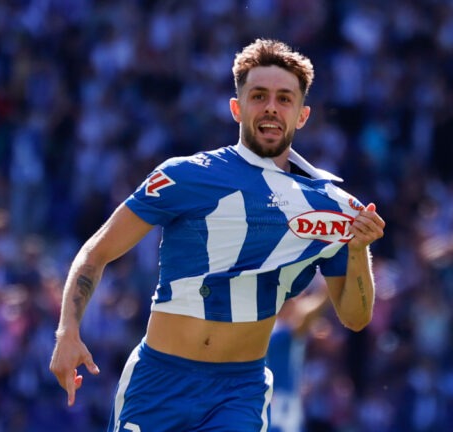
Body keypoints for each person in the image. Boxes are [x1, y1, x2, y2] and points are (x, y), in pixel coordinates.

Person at [49, 38, 385, 432]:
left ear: (303, 115)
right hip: (160, 381)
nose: (272, 108)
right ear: (236, 107)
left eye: (284, 98)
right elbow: (96, 251)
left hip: (238, 394)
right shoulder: (186, 175)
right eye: (259, 96)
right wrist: (67, 331)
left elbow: (355, 317)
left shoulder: (332, 206)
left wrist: (359, 249)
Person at [267, 277, 329, 432]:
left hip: (285, 402)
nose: (300, 302)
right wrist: (327, 290)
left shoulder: (274, 329)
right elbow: (306, 318)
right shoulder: (278, 330)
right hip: (279, 403)